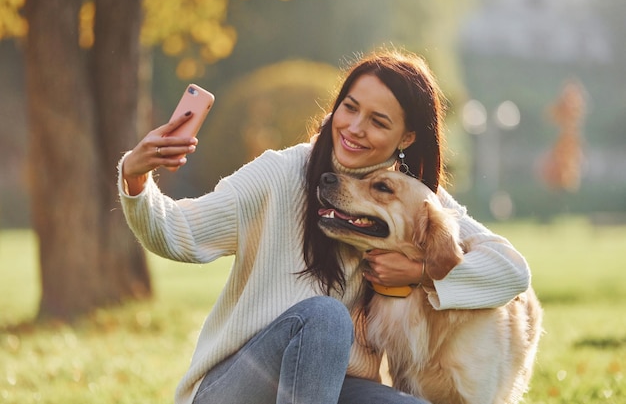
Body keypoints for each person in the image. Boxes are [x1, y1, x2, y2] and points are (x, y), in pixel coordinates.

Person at [118, 48, 530, 404]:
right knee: (325, 318)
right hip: (234, 389)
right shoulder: (280, 175)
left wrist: (422, 273)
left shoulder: (402, 197)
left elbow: (511, 270)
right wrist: (136, 178)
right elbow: (178, 232)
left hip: (328, 388)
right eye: (350, 108)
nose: (354, 128)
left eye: (378, 121)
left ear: (406, 139)